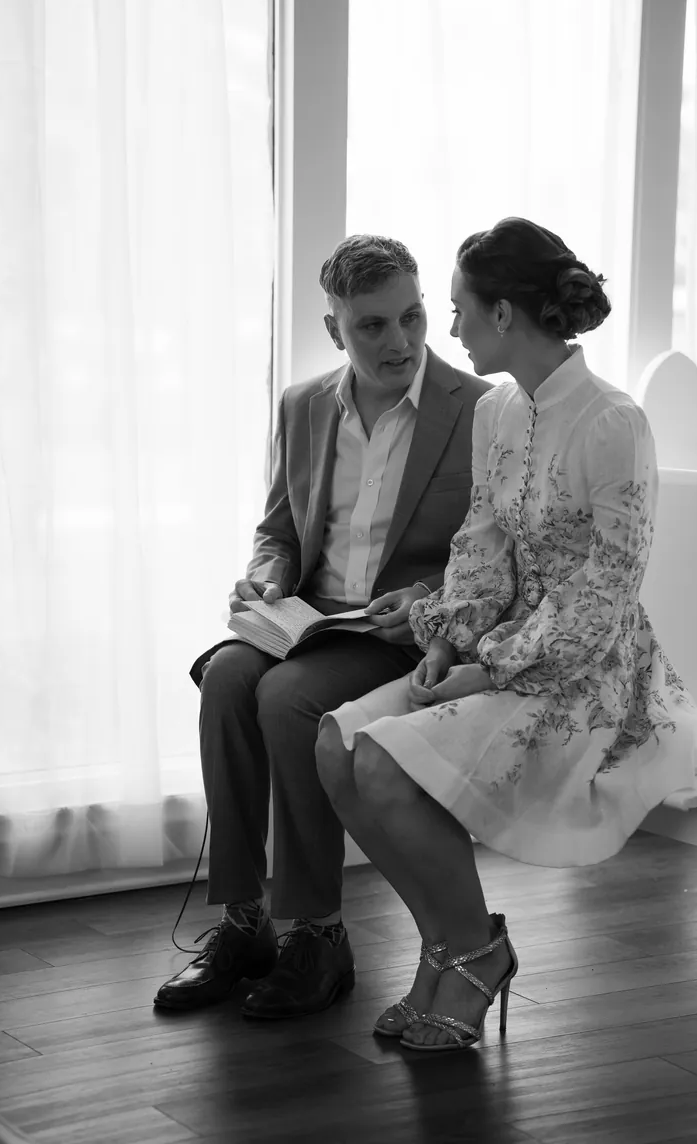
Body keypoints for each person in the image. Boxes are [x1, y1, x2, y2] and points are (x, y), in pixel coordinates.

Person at [315, 216, 697, 1054]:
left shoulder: (613, 423)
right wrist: (446, 642)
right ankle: (454, 946)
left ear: (501, 316)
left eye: (454, 310)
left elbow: (604, 597)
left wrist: (484, 672)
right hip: (496, 653)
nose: (443, 331)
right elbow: (480, 547)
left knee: (382, 762)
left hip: (591, 673)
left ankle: (471, 957)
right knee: (334, 746)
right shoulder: (496, 412)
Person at [153, 234, 491, 1017]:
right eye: (372, 326)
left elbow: (491, 549)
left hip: (397, 625)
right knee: (229, 678)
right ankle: (244, 924)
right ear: (335, 327)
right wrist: (268, 576)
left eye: (411, 317)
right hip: (307, 613)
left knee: (287, 699)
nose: (399, 341)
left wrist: (431, 596)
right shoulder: (303, 404)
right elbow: (278, 528)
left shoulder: (479, 410)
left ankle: (318, 934)